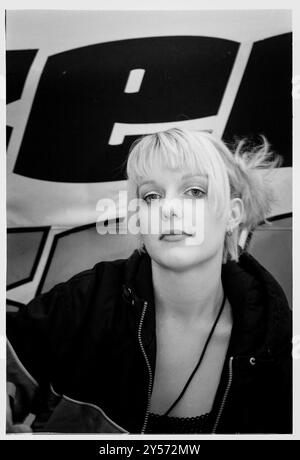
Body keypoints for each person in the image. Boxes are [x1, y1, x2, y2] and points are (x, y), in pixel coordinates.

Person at [7, 128, 292, 434]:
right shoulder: (85, 301)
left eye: (195, 191)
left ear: (233, 215)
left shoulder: (272, 343)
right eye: (151, 196)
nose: (168, 208)